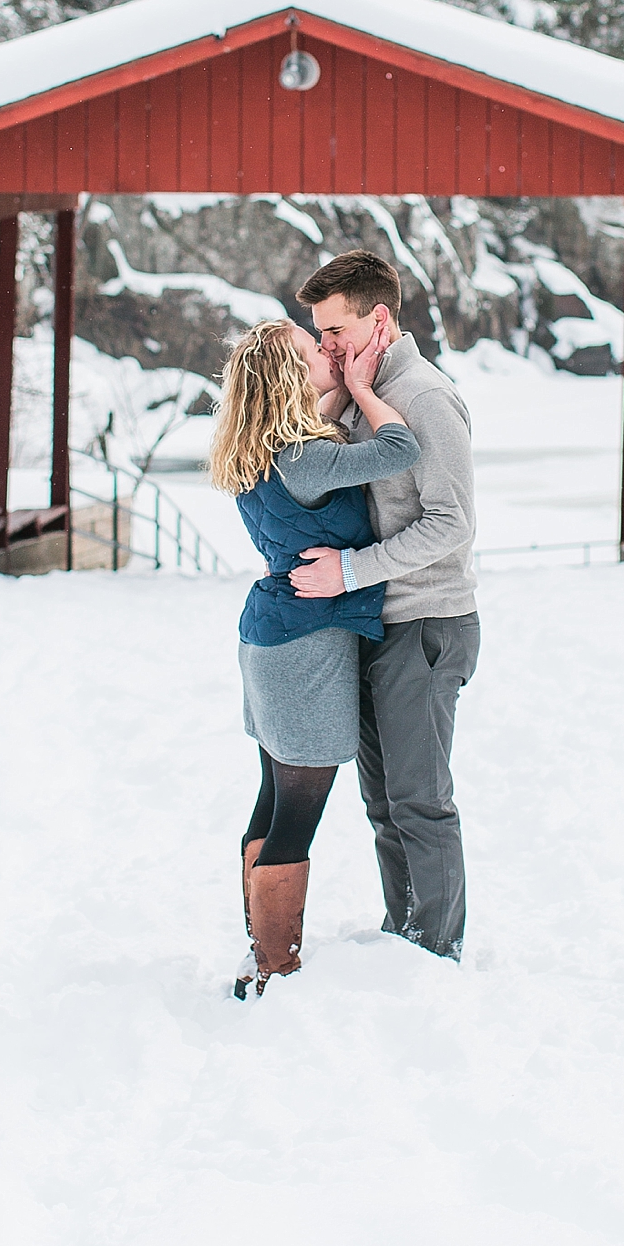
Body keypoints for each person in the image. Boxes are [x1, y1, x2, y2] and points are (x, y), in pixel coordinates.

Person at [209, 313, 420, 995]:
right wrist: (361, 385)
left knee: (274, 801)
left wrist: (334, 393)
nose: (326, 350)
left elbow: (312, 432)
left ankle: (258, 951)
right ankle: (274, 966)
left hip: (271, 639)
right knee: (297, 815)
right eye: (311, 349)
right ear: (289, 377)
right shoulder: (309, 457)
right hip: (308, 649)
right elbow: (399, 447)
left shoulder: (267, 448)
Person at [288, 249, 479, 960]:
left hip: (427, 622)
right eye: (318, 332)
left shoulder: (425, 398)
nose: (325, 346)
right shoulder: (368, 390)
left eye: (333, 330)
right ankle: (404, 937)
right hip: (380, 621)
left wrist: (352, 572)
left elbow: (452, 522)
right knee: (384, 806)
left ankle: (435, 950)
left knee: (421, 803)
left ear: (379, 319)